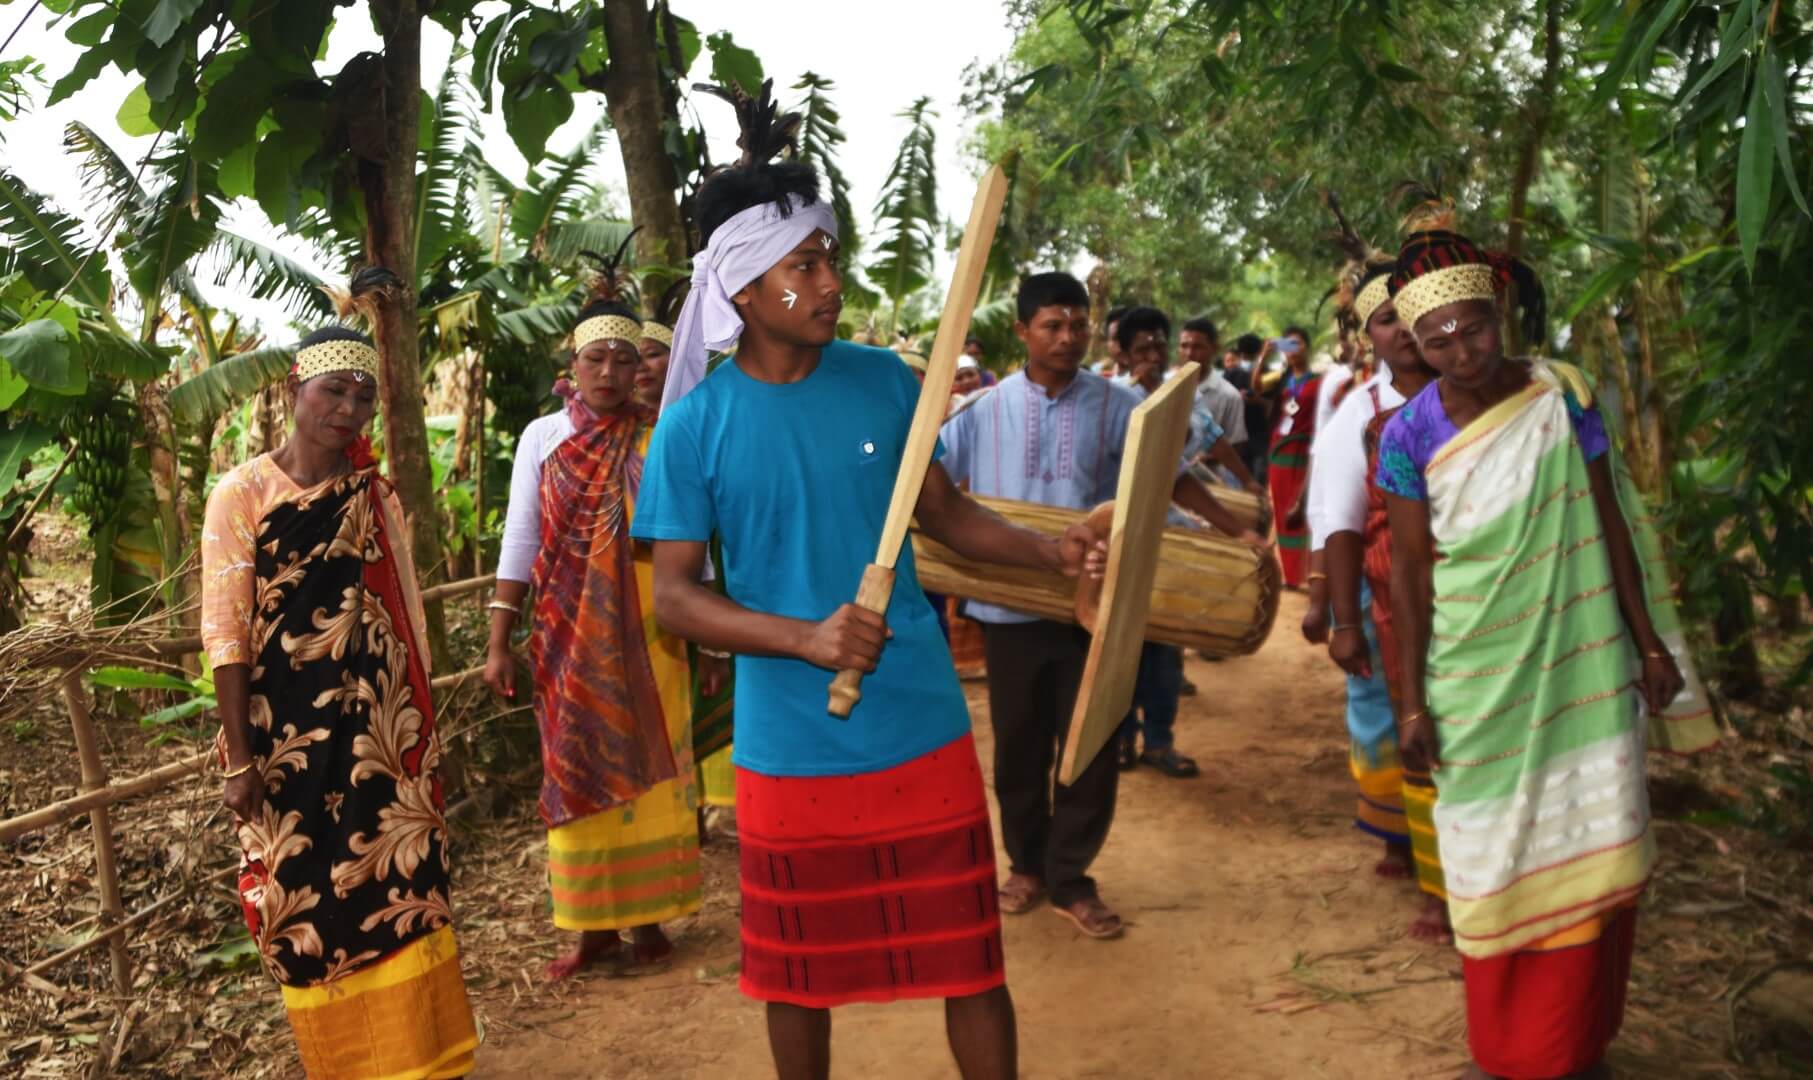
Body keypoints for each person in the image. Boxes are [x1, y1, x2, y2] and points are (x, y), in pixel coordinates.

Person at [630, 81, 1103, 1080]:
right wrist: (803, 637)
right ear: (745, 288)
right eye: (805, 264)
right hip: (787, 746)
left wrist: (1048, 552)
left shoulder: (891, 382)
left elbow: (948, 516)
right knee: (795, 977)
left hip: (919, 728)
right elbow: (673, 597)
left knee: (970, 963)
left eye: (829, 258)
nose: (830, 281)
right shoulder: (692, 427)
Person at [1379, 214, 1719, 1080]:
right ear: (1415, 343)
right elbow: (1412, 574)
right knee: (1490, 852)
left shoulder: (1561, 394)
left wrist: (1646, 644)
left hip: (1584, 659)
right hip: (1473, 673)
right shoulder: (1406, 435)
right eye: (1438, 338)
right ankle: (1514, 1054)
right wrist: (1410, 701)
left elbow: (1608, 521)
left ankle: (1577, 1045)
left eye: (1475, 327)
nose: (1462, 350)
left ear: (1502, 313)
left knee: (1593, 833)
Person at [202, 270, 479, 1080]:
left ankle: (422, 1059)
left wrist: (426, 727)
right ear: (296, 388)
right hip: (283, 743)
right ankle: (349, 1064)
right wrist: (241, 757)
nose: (349, 409)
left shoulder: (371, 495)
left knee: (401, 884)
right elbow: (225, 630)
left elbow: (411, 619)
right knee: (304, 902)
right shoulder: (242, 493)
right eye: (334, 390)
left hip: (383, 736)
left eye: (363, 395)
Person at [941, 279, 1264, 937]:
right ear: (1022, 332)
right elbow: (939, 491)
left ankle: (1070, 877)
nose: (1066, 338)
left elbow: (1171, 478)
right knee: (1018, 748)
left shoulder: (1122, 407)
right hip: (1010, 606)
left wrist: (1237, 534)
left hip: (1100, 606)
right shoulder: (979, 410)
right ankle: (1026, 865)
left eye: (1076, 325)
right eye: (1051, 325)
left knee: (1091, 743)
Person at [483, 256, 717, 980]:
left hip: (657, 631)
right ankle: (591, 931)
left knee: (651, 768)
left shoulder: (663, 437)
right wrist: (499, 639)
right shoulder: (542, 439)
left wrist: (709, 642)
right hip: (565, 635)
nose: (611, 372)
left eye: (623, 358)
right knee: (576, 766)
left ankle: (647, 917)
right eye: (596, 358)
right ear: (572, 364)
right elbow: (520, 535)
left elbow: (693, 538)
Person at [1303, 250, 1450, 942]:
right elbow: (1337, 520)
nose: (1404, 330)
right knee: (1403, 722)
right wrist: (1338, 619)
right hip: (1391, 596)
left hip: (1477, 593)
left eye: (1412, 313)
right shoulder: (1357, 417)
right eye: (1386, 319)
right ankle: (1432, 876)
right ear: (1368, 335)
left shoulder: (1483, 395)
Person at [642, 288, 739, 827]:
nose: (642, 367)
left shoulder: (697, 423)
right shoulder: (618, 434)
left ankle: (715, 803)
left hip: (713, 585)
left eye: (655, 354)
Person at [1178, 316, 1260, 492]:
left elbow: (1237, 445)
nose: (1189, 353)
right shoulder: (1166, 387)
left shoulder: (1229, 395)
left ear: (1214, 349)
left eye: (1197, 346)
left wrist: (1208, 457)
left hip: (1215, 486)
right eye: (1184, 346)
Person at [1266, 325, 1320, 587]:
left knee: (1303, 509)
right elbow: (1256, 387)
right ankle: (1290, 575)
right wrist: (1265, 357)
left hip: (1305, 453)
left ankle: (1307, 571)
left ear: (1307, 347)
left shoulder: (1318, 382)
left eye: (1296, 344)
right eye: (1287, 345)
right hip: (1279, 454)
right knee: (1282, 511)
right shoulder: (1279, 380)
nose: (1292, 350)